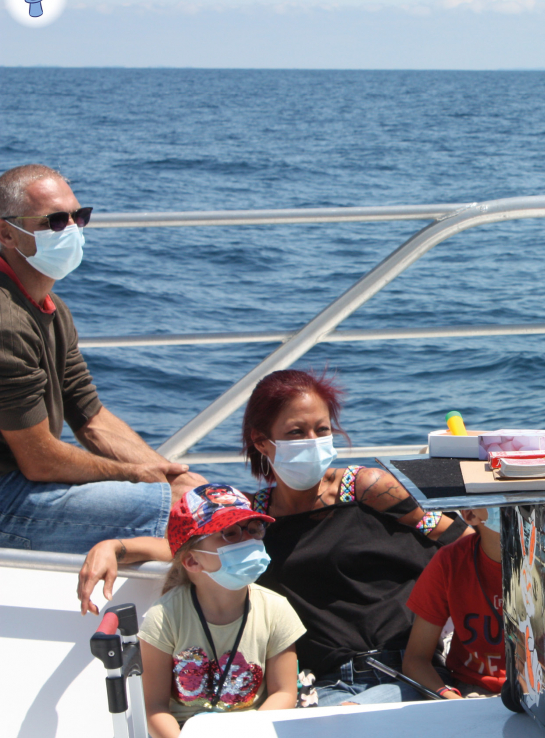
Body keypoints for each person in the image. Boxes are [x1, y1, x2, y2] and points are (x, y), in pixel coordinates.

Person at [78, 369, 467, 706]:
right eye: (296, 432)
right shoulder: (254, 516)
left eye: (322, 430)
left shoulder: (366, 488)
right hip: (318, 685)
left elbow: (459, 540)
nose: (312, 441)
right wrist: (114, 546)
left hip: (403, 671)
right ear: (263, 442)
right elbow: (189, 550)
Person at [0, 164, 203, 554]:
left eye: (80, 217)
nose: (72, 229)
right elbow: (39, 460)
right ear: (7, 233)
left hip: (21, 483)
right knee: (174, 514)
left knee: (196, 501)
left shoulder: (52, 310)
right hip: (9, 496)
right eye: (55, 221)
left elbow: (90, 416)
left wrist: (173, 475)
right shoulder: (7, 323)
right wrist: (139, 478)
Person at [139, 484, 303, 737]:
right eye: (230, 533)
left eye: (253, 529)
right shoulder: (164, 616)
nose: (247, 539)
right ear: (193, 560)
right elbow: (155, 707)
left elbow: (284, 693)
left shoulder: (276, 609)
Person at [403, 506, 505, 699]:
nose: (517, 505)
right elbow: (416, 659)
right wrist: (452, 699)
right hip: (472, 691)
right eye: (499, 498)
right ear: (470, 514)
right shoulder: (449, 561)